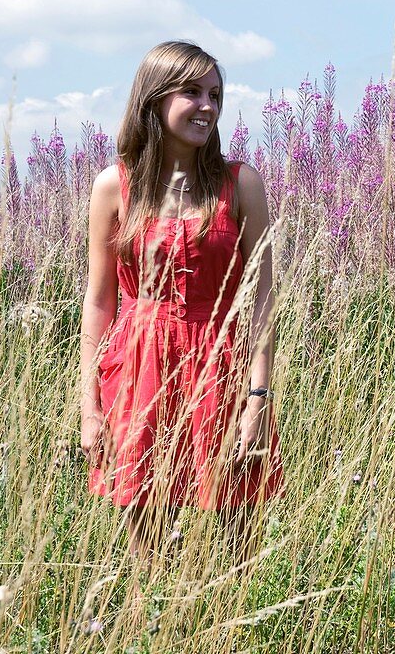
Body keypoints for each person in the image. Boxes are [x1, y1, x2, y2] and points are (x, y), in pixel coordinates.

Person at [78, 40, 284, 572]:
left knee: (239, 535)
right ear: (153, 97)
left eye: (216, 94)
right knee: (148, 546)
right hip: (140, 367)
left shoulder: (241, 184)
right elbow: (100, 300)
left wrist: (258, 397)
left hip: (223, 367)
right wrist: (90, 408)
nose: (208, 106)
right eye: (191, 92)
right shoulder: (113, 186)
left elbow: (262, 298)